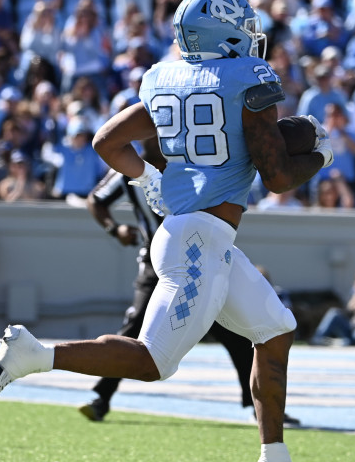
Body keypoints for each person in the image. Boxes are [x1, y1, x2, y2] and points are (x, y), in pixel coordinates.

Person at [0, 0, 331, 462]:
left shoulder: (164, 78)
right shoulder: (249, 77)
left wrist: (147, 177)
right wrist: (318, 152)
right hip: (198, 244)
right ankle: (37, 354)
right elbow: (277, 175)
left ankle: (274, 461)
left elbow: (106, 142)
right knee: (153, 361)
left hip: (198, 236)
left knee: (275, 329)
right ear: (228, 33)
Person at [80, 153, 299, 425]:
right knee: (135, 325)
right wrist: (115, 229)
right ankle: (102, 396)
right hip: (156, 259)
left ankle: (261, 405)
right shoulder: (129, 164)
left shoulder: (190, 158)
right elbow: (96, 199)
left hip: (198, 255)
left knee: (237, 331)